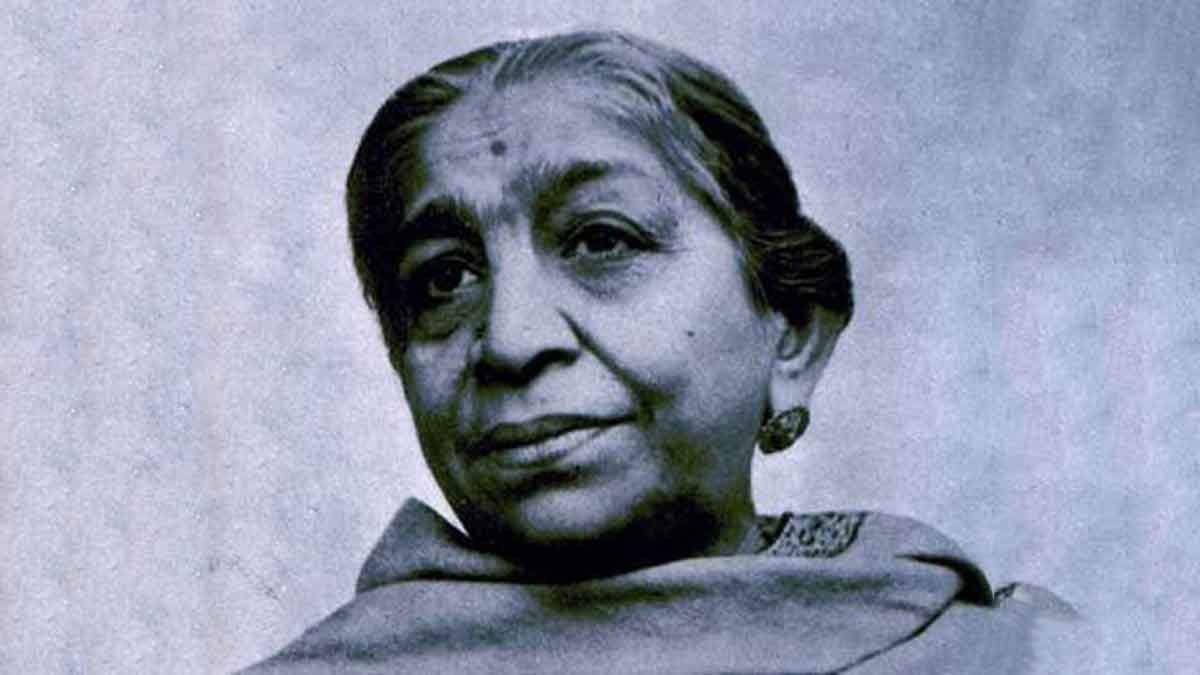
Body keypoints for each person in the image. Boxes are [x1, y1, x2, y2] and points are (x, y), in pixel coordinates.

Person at [244, 30, 1085, 673]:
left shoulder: (1021, 657)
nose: (512, 340)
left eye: (601, 240)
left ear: (791, 333)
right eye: (444, 278)